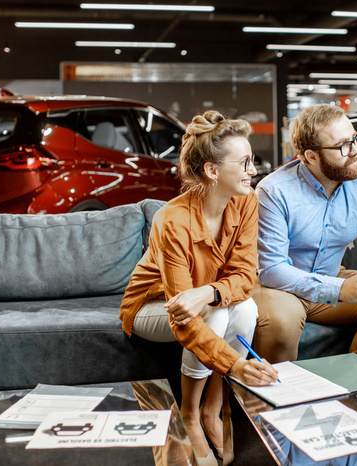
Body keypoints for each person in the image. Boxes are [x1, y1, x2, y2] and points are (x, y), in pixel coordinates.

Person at [119, 110, 279, 466]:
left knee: (246, 308)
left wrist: (207, 292)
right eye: (245, 163)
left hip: (202, 299)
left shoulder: (246, 201)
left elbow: (244, 277)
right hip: (152, 308)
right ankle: (191, 414)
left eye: (252, 161)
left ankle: (214, 408)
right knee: (212, 315)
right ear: (212, 171)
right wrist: (236, 366)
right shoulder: (172, 221)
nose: (253, 170)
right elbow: (183, 319)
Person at [252, 103, 357, 363]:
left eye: (355, 140)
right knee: (282, 318)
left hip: (331, 277)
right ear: (311, 156)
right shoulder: (274, 191)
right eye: (343, 146)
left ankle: (352, 381)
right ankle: (278, 399)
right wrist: (340, 289)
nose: (356, 151)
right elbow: (272, 269)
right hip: (279, 288)